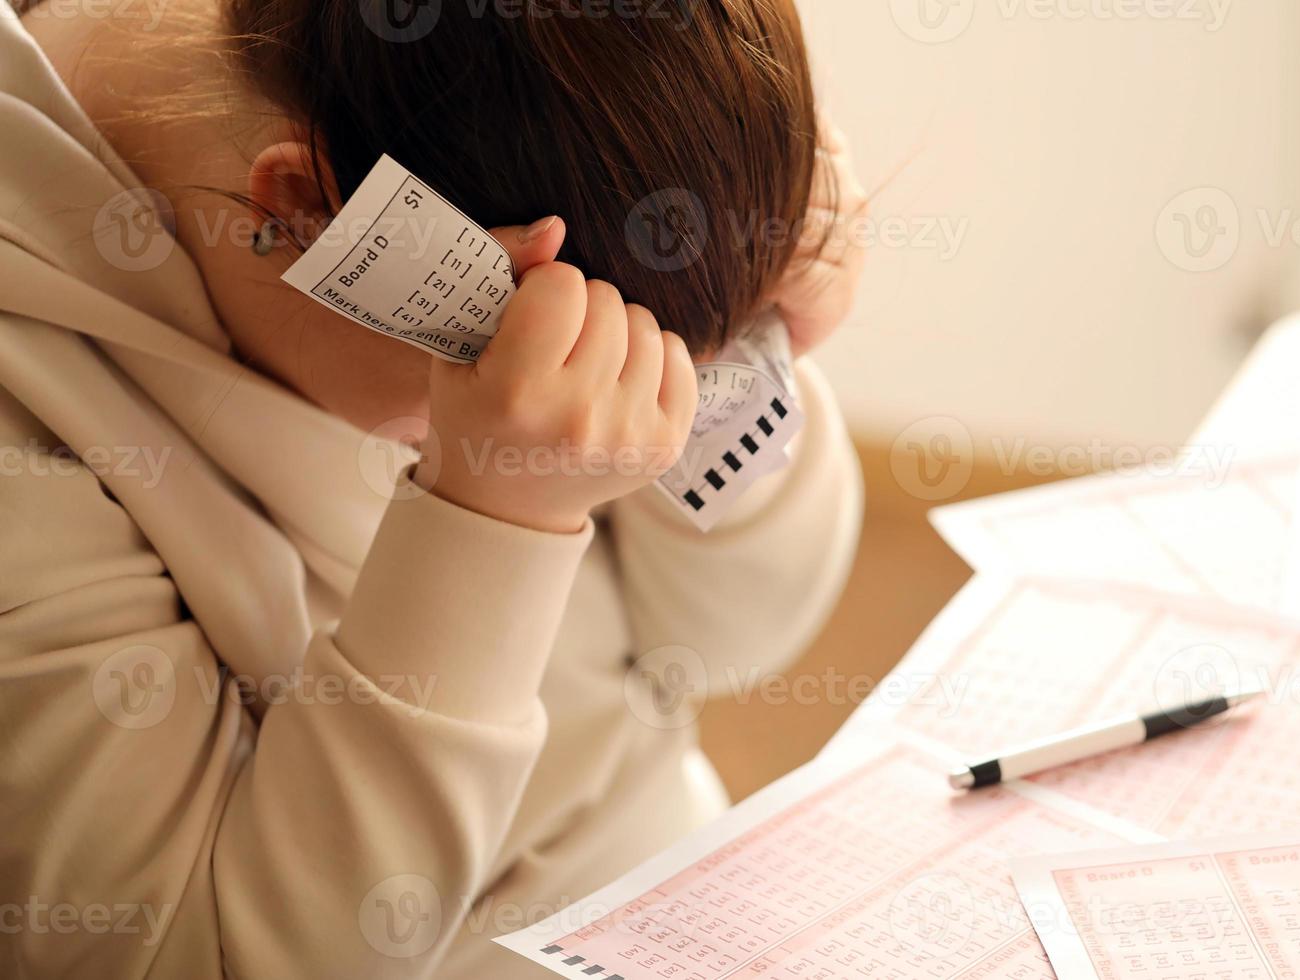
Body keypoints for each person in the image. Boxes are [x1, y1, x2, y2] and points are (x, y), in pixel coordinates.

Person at [0, 0, 865, 975]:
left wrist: (759, 341)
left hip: (682, 899)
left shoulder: (547, 160)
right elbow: (200, 954)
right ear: (300, 212)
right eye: (540, 356)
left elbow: (723, 642)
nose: (620, 431)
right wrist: (493, 517)